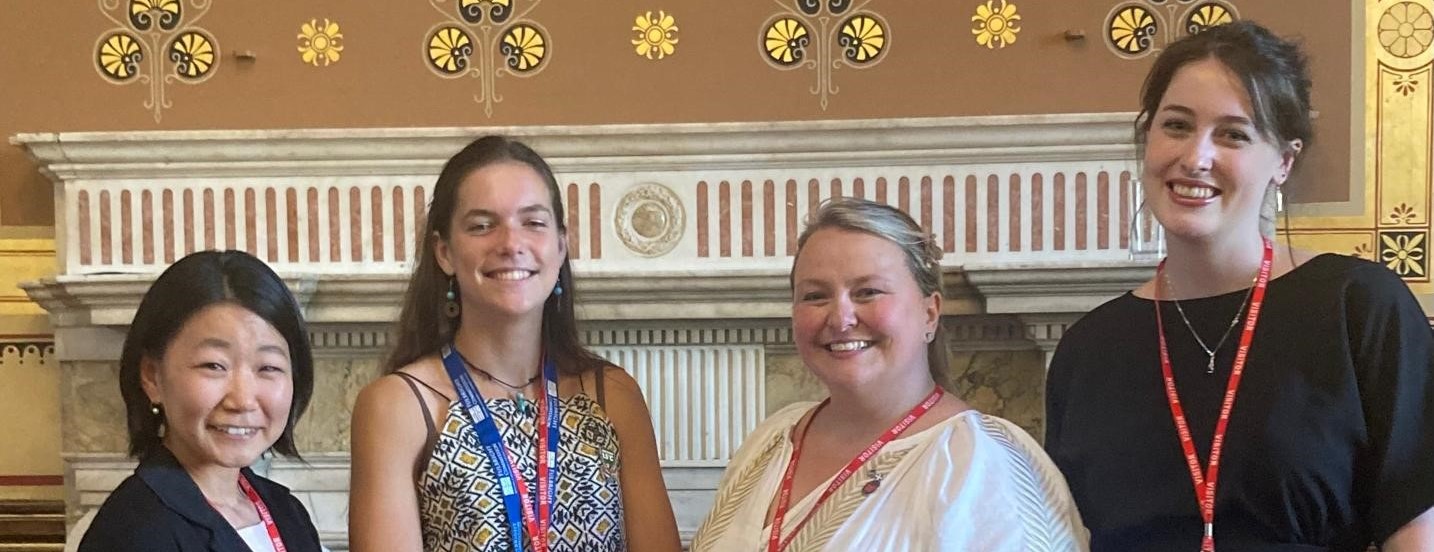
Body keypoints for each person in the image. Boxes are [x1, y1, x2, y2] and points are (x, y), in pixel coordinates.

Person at [1045, 20, 1434, 551]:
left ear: (1283, 161)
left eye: (1233, 134)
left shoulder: (1359, 308)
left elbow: (1416, 532)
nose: (1196, 157)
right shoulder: (1087, 348)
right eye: (1176, 125)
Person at [691, 197, 1087, 551]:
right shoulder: (771, 440)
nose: (840, 318)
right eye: (815, 296)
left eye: (868, 292)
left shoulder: (983, 463)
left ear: (929, 313)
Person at [348, 135, 681, 551]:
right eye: (482, 226)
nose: (510, 243)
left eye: (533, 222)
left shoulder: (612, 395)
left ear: (560, 246)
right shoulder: (398, 405)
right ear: (445, 252)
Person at [78, 250, 322, 552]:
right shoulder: (133, 532)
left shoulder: (286, 511)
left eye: (268, 367)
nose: (243, 399)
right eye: (214, 366)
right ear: (153, 377)